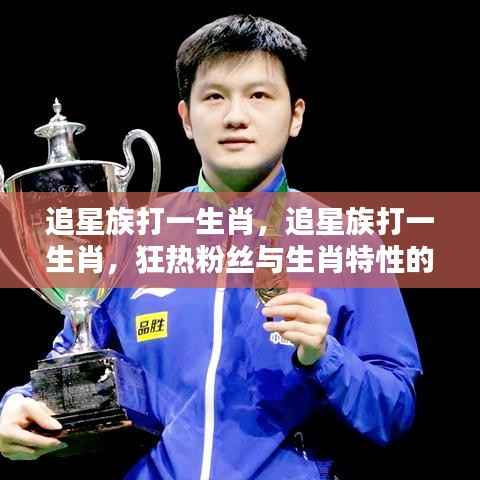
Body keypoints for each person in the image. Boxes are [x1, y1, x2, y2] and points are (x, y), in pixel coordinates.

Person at [0, 14, 422, 479]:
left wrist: (325, 356)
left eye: (259, 95)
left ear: (296, 115)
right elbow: (73, 359)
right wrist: (16, 405)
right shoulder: (130, 236)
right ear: (185, 118)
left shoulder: (346, 239)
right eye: (214, 96)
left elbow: (395, 410)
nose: (235, 116)